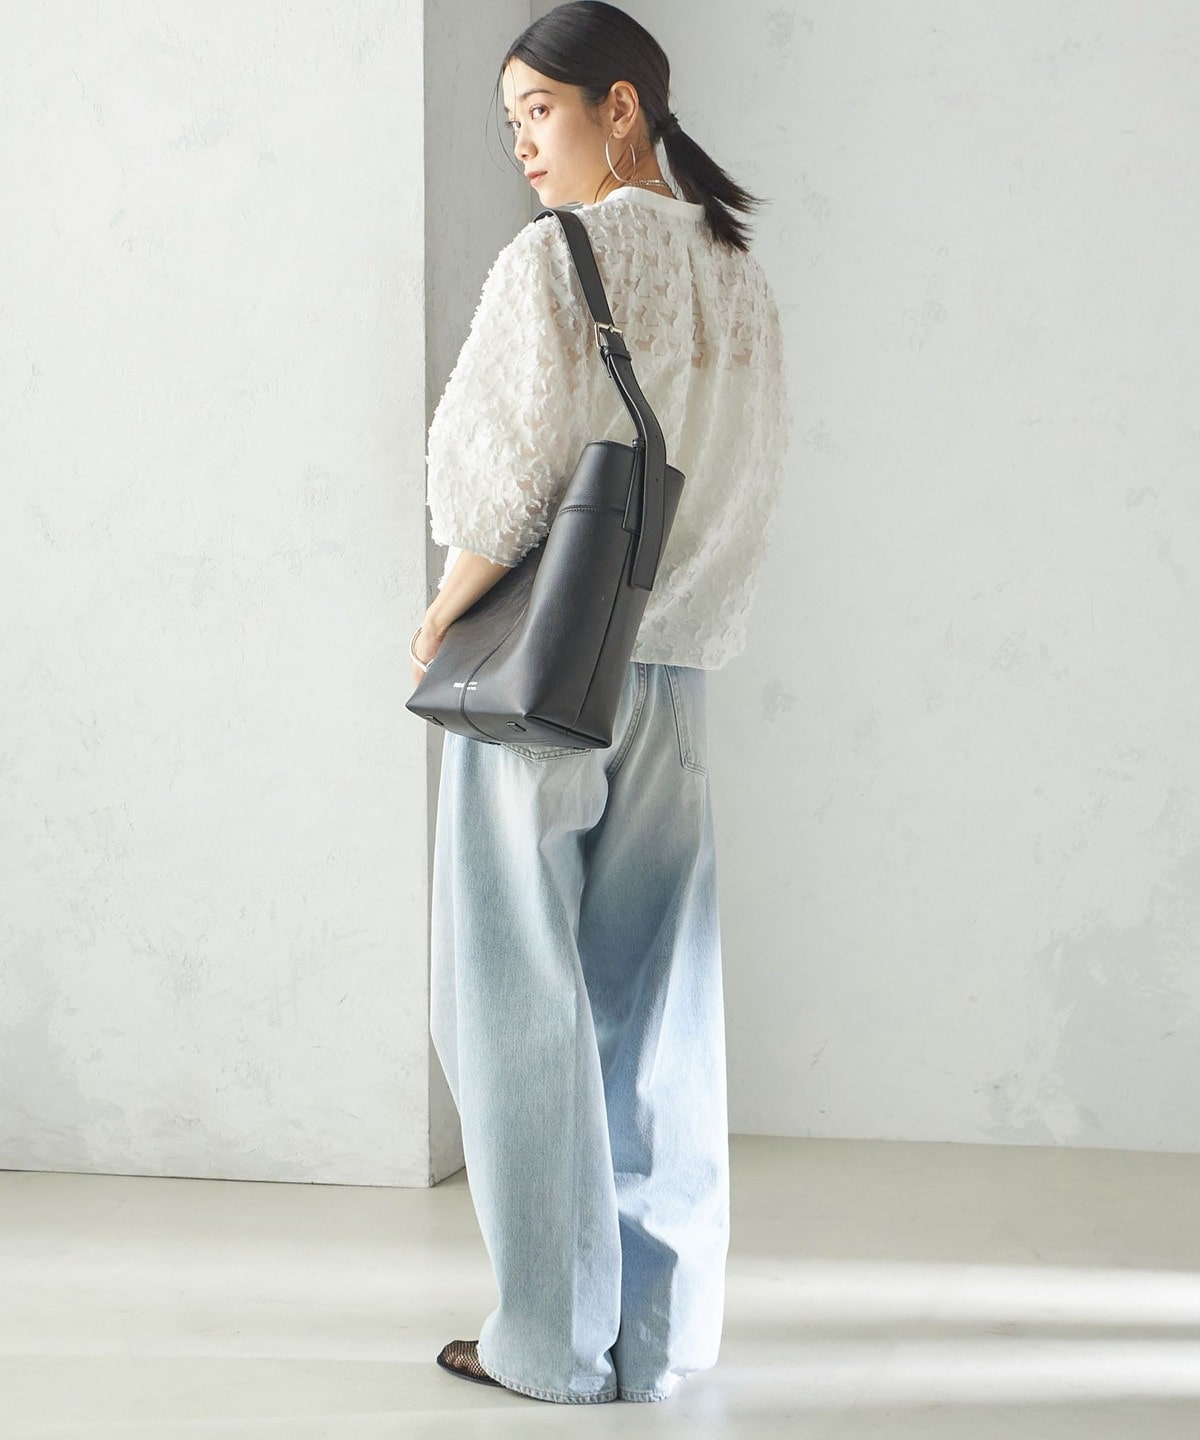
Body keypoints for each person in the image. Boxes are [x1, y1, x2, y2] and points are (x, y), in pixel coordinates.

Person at [411, 0, 790, 1406]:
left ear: (619, 105)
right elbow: (747, 478)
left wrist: (446, 607)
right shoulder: (737, 274)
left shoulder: (554, 257)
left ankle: (549, 1344)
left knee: (513, 993)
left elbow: (503, 477)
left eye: (539, 111)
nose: (521, 144)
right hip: (675, 669)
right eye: (509, 120)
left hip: (549, 668)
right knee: (659, 1001)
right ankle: (662, 1339)